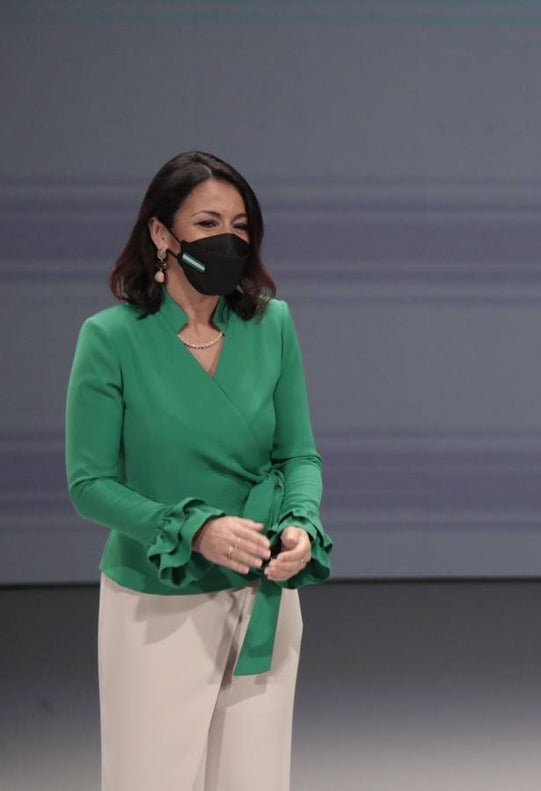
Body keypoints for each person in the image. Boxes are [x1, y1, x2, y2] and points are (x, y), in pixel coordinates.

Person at [65, 151, 333, 791]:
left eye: (240, 226)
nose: (228, 239)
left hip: (263, 589)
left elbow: (298, 455)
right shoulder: (110, 339)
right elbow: (89, 485)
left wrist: (300, 522)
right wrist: (195, 528)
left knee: (253, 778)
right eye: (208, 222)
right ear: (161, 234)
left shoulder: (273, 324)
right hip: (157, 597)